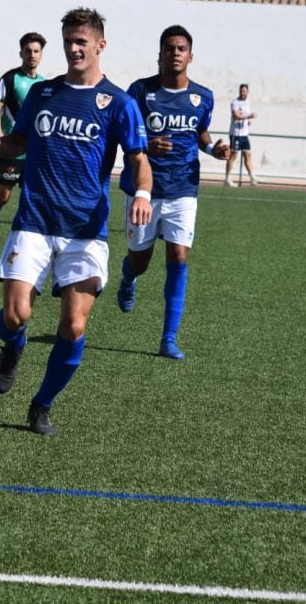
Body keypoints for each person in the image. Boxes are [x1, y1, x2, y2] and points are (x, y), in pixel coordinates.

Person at [0, 8, 152, 437]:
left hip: (85, 231)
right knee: (16, 316)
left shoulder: (119, 104)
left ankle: (42, 405)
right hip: (34, 220)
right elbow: (18, 141)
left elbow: (138, 158)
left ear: (100, 46)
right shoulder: (43, 94)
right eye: (69, 41)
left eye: (82, 42)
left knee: (73, 325)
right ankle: (13, 346)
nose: (74, 49)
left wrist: (143, 194)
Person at [115, 25, 229, 361]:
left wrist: (214, 150)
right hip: (144, 189)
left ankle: (168, 339)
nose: (175, 53)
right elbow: (120, 134)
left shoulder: (203, 97)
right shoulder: (139, 91)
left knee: (179, 258)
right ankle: (127, 277)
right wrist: (147, 144)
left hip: (183, 189)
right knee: (140, 260)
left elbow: (202, 134)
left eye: (181, 48)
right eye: (169, 48)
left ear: (190, 56)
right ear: (160, 54)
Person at [0, 32, 46, 259]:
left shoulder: (43, 84)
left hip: (33, 150)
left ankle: (22, 248)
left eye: (36, 51)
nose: (32, 55)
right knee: (3, 197)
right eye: (28, 51)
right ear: (21, 53)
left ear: (41, 54)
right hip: (10, 147)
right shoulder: (10, 78)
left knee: (31, 199)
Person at [224, 83, 258, 186]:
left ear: (247, 92)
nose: (242, 93)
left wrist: (248, 122)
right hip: (236, 134)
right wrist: (249, 116)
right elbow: (236, 116)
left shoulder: (247, 102)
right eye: (241, 91)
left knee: (248, 155)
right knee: (233, 155)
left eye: (244, 91)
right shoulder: (235, 102)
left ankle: (253, 178)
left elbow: (243, 116)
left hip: (245, 134)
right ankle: (228, 179)